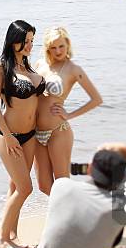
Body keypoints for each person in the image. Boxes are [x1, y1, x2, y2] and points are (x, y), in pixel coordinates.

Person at [0, 20, 45, 248]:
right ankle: (2, 239)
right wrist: (10, 136)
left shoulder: (29, 68)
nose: (30, 45)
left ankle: (12, 235)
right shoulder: (0, 68)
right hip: (8, 136)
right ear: (14, 41)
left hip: (30, 136)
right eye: (26, 41)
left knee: (16, 186)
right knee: (25, 188)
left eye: (32, 41)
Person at [33, 26, 102, 195]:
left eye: (61, 46)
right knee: (44, 186)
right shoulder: (40, 64)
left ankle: (69, 218)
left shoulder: (73, 69)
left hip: (59, 132)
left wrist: (69, 115)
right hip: (36, 132)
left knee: (62, 184)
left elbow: (96, 99)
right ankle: (67, 212)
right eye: (53, 47)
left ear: (68, 44)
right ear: (47, 48)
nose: (58, 51)